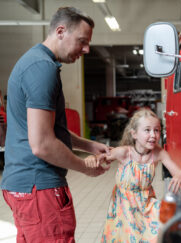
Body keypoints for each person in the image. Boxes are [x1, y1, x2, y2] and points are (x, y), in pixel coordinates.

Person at [0, 7, 110, 242]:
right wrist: (85, 167)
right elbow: (42, 144)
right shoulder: (43, 69)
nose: (87, 49)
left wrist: (88, 145)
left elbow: (48, 130)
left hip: (24, 185)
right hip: (39, 188)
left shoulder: (33, 62)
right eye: (82, 41)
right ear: (61, 31)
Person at [96, 108, 181, 242]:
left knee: (160, 232)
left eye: (156, 130)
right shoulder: (124, 153)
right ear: (134, 134)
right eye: (147, 130)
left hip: (147, 205)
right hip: (124, 208)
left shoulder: (158, 153)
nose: (153, 135)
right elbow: (102, 157)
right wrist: (95, 159)